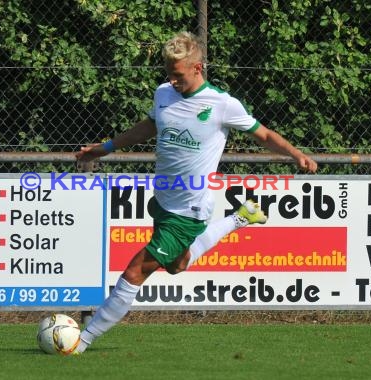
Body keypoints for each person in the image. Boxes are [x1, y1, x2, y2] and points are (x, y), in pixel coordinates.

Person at [74, 31, 317, 354]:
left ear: (197, 67)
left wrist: (296, 154)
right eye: (168, 75)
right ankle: (240, 217)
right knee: (176, 265)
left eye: (178, 75)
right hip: (163, 202)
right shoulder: (163, 93)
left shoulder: (222, 104)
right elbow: (147, 128)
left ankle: (82, 340)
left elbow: (265, 134)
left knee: (135, 271)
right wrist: (103, 149)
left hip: (189, 211)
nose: (172, 81)